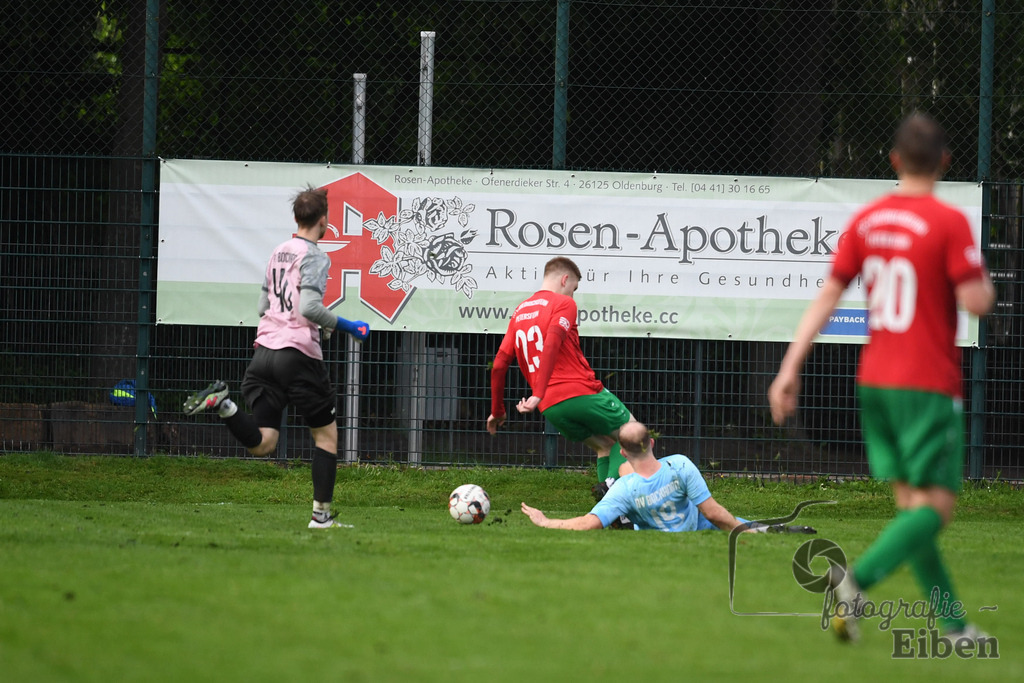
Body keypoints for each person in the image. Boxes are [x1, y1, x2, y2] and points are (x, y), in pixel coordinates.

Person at [768, 113, 995, 643]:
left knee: (913, 511)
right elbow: (975, 300)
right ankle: (856, 580)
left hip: (876, 381)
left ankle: (955, 626)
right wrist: (981, 282)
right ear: (944, 162)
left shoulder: (869, 221)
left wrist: (789, 366)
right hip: (927, 382)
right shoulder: (948, 222)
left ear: (893, 160)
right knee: (936, 509)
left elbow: (828, 295)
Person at [183, 185, 370, 529]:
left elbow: (262, 306)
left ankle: (224, 405)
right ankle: (321, 517)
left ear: (296, 217)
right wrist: (347, 326)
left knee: (264, 444)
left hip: (264, 354)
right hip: (297, 356)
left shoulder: (278, 251)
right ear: (324, 220)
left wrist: (312, 324)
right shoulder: (315, 255)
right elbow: (309, 307)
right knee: (326, 438)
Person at [487, 256, 636, 490]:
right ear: (565, 279)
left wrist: (497, 411)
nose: (573, 295)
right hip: (579, 392)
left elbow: (498, 365)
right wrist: (537, 393)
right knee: (632, 435)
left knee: (605, 445)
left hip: (551, 407)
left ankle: (608, 513)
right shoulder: (564, 304)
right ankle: (612, 488)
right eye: (574, 288)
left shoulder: (520, 312)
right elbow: (552, 342)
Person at [520, 421, 812, 533]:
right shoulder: (680, 465)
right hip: (700, 528)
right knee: (731, 521)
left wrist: (546, 521)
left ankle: (622, 519)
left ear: (622, 452)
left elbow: (588, 523)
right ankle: (768, 530)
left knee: (620, 493)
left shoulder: (624, 488)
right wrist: (745, 531)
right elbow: (714, 513)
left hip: (634, 506)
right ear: (652, 443)